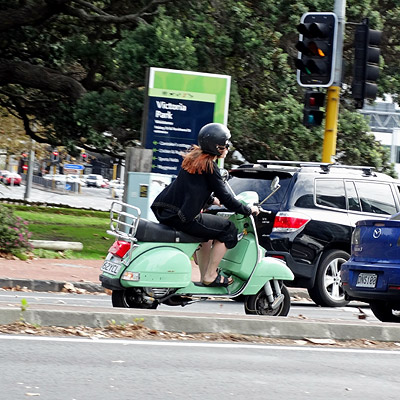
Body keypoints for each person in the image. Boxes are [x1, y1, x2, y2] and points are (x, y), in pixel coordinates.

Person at [151, 122, 259, 287]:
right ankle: (210, 275)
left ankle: (204, 276)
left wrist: (210, 200)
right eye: (226, 145)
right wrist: (248, 210)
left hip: (167, 211)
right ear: (217, 147)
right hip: (183, 217)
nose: (228, 148)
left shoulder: (194, 160)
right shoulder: (210, 167)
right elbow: (227, 198)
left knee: (208, 233)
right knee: (228, 229)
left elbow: (191, 188)